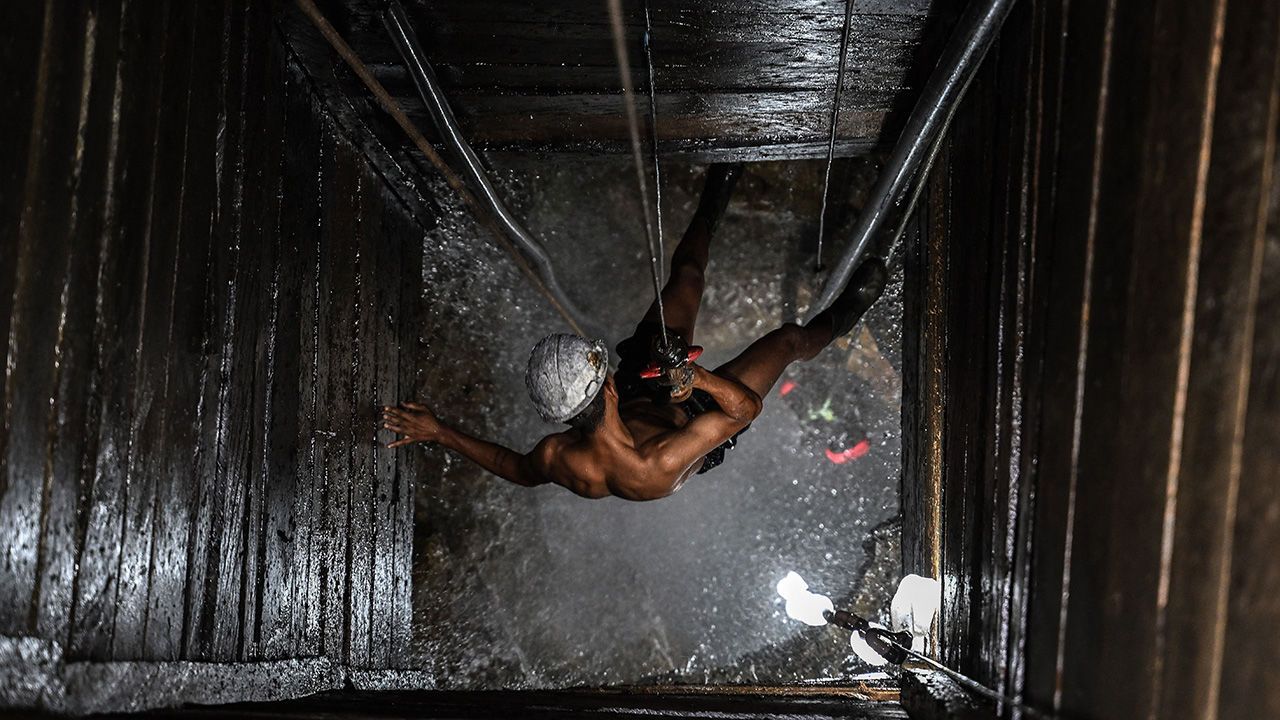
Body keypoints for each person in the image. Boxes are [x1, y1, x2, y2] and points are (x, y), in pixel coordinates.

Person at [381, 165, 887, 501]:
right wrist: (698, 379)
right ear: (606, 385)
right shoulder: (654, 463)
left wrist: (440, 432)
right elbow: (744, 410)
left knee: (686, 277)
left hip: (646, 392)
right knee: (787, 341)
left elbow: (516, 467)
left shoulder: (557, 454)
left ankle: (718, 189)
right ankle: (845, 315)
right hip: (701, 421)